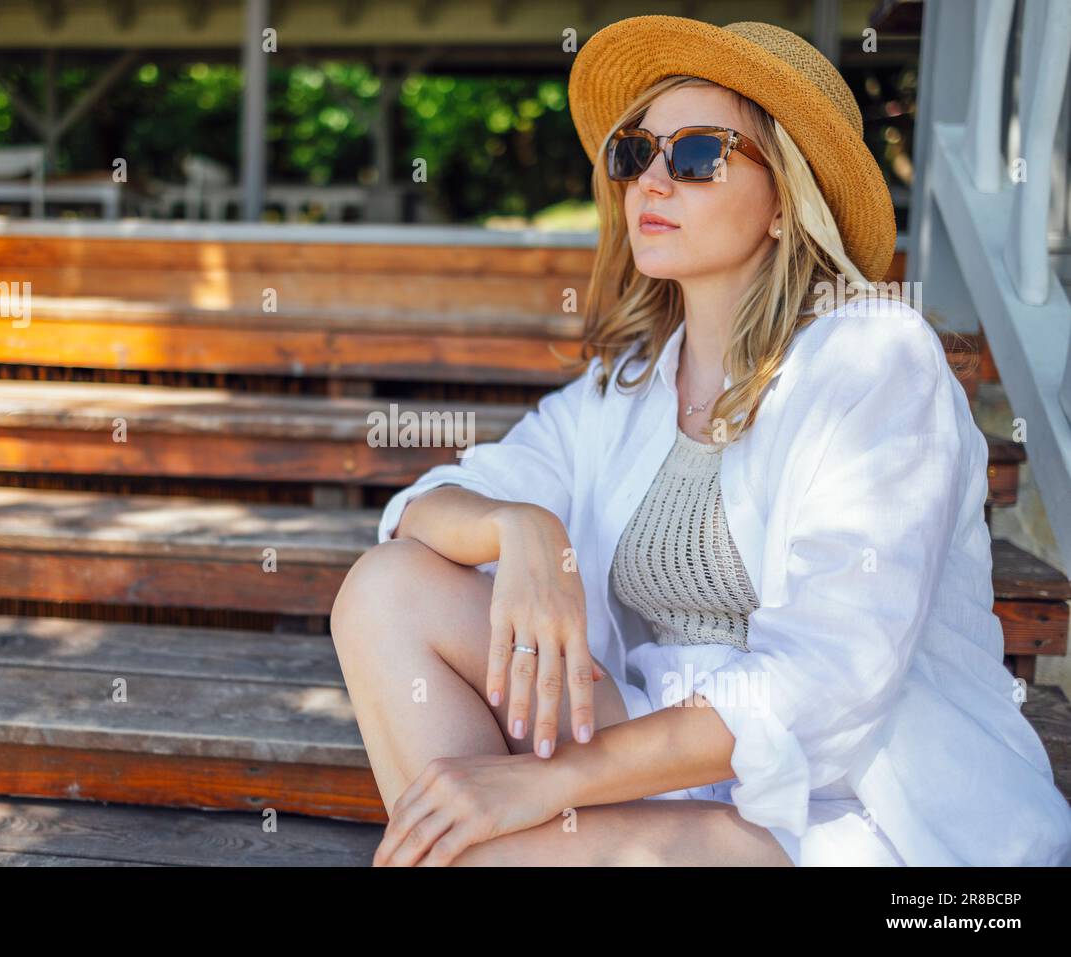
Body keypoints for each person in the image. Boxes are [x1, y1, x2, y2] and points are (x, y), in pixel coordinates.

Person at [330, 16, 1071, 866]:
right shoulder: (629, 386)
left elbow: (830, 676)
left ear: (788, 204)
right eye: (635, 153)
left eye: (694, 156)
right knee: (387, 589)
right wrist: (519, 527)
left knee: (470, 861)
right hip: (658, 775)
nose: (652, 179)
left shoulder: (876, 358)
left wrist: (546, 786)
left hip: (844, 815)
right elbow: (423, 508)